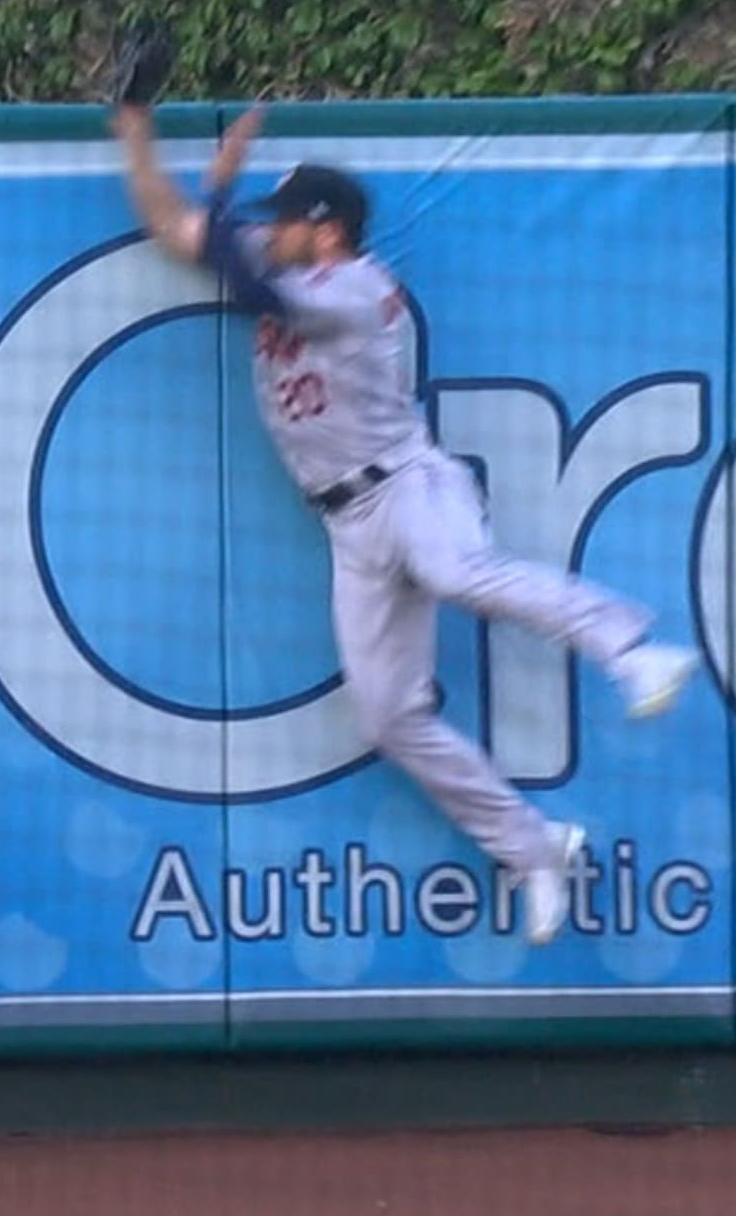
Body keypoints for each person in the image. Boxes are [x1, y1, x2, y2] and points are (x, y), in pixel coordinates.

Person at [109, 98, 698, 946]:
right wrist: (134, 128)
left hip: (410, 484)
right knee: (387, 716)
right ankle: (535, 849)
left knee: (458, 571)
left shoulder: (356, 286)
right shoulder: (291, 269)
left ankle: (633, 651)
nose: (269, 231)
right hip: (349, 525)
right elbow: (174, 226)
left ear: (326, 229)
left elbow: (241, 280)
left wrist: (227, 186)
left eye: (285, 222)